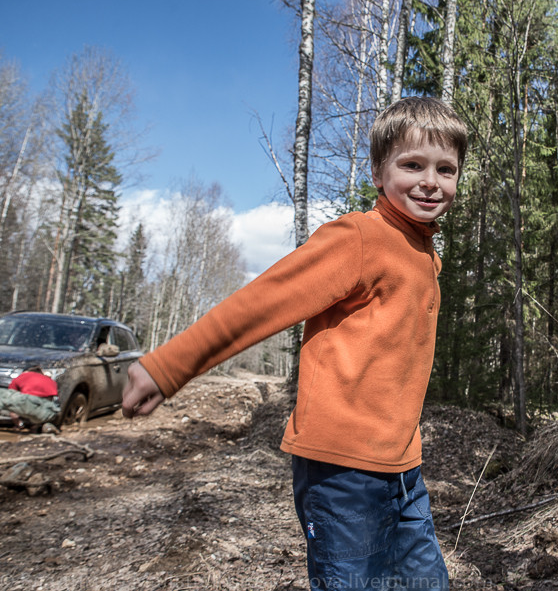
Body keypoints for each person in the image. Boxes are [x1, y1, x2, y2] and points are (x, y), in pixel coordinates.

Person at [121, 96, 467, 590]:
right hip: (343, 472)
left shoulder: (424, 255)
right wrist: (168, 367)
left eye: (445, 169)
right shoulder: (358, 238)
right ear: (377, 173)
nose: (431, 181)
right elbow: (264, 301)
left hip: (403, 468)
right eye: (412, 165)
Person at [0, 366, 61, 433]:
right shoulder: (51, 381)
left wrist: (18, 424)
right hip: (48, 414)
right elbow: (47, 401)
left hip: (28, 407)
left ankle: (21, 425)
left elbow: (10, 401)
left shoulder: (22, 377)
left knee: (3, 395)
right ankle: (42, 426)